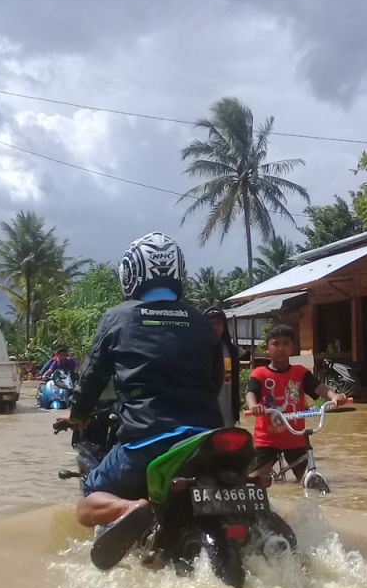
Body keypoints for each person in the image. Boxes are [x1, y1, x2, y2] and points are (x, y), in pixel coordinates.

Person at [66, 232, 224, 569]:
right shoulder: (201, 322)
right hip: (206, 441)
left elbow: (92, 376)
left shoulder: (118, 317)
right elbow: (214, 383)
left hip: (147, 441)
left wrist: (78, 413)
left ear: (131, 273)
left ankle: (130, 509)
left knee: (88, 500)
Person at [245, 324, 346, 481]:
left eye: (285, 344)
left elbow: (319, 388)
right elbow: (251, 393)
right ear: (267, 347)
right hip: (267, 439)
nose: (280, 348)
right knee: (253, 479)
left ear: (293, 347)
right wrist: (253, 406)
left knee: (310, 479)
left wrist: (334, 396)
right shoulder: (260, 373)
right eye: (276, 344)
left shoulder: (300, 372)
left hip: (295, 437)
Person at [204, 307, 241, 427]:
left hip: (227, 404)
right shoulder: (197, 349)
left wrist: (236, 410)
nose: (215, 326)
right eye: (211, 323)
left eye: (218, 323)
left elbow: (233, 380)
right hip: (206, 405)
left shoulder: (231, 350)